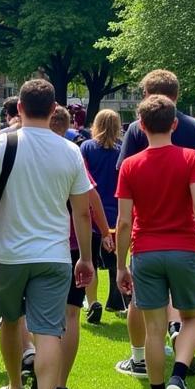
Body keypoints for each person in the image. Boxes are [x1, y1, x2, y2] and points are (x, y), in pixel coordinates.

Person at [0, 79, 94, 389]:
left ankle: (14, 387)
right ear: (55, 109)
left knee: (11, 322)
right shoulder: (70, 151)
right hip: (53, 254)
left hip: (7, 253)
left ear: (19, 108)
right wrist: (85, 257)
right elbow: (82, 213)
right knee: (49, 330)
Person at [116, 96, 195, 389]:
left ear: (141, 126)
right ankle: (179, 375)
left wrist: (120, 265)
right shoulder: (190, 158)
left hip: (145, 251)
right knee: (193, 318)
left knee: (154, 330)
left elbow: (123, 221)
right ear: (174, 124)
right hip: (185, 248)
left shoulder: (130, 165)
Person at [50, 106, 113, 389]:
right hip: (73, 242)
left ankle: (35, 369)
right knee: (71, 313)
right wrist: (105, 230)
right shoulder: (71, 153)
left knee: (37, 313)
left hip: (40, 244)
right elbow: (91, 199)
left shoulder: (19, 149)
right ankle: (60, 384)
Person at [80, 108, 126, 323]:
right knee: (116, 260)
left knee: (90, 258)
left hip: (91, 213)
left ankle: (93, 301)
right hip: (117, 212)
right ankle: (117, 301)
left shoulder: (87, 148)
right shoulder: (122, 151)